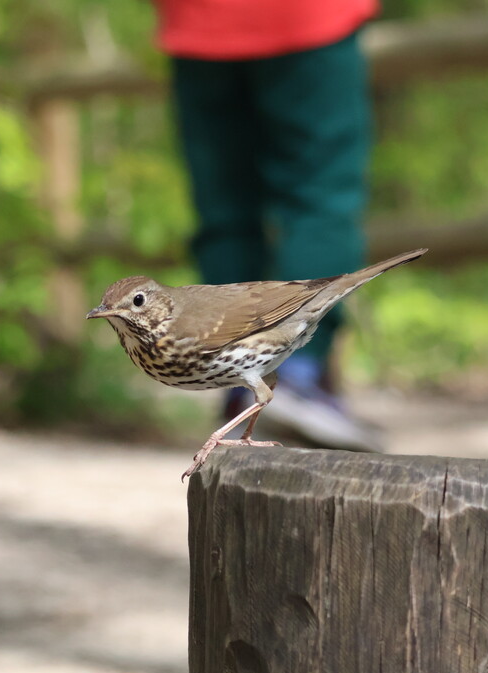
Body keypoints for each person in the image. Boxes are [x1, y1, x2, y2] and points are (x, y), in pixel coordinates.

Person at [152, 0, 385, 450]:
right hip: (309, 17)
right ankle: (297, 378)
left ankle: (237, 389)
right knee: (321, 198)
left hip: (197, 22)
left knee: (224, 212)